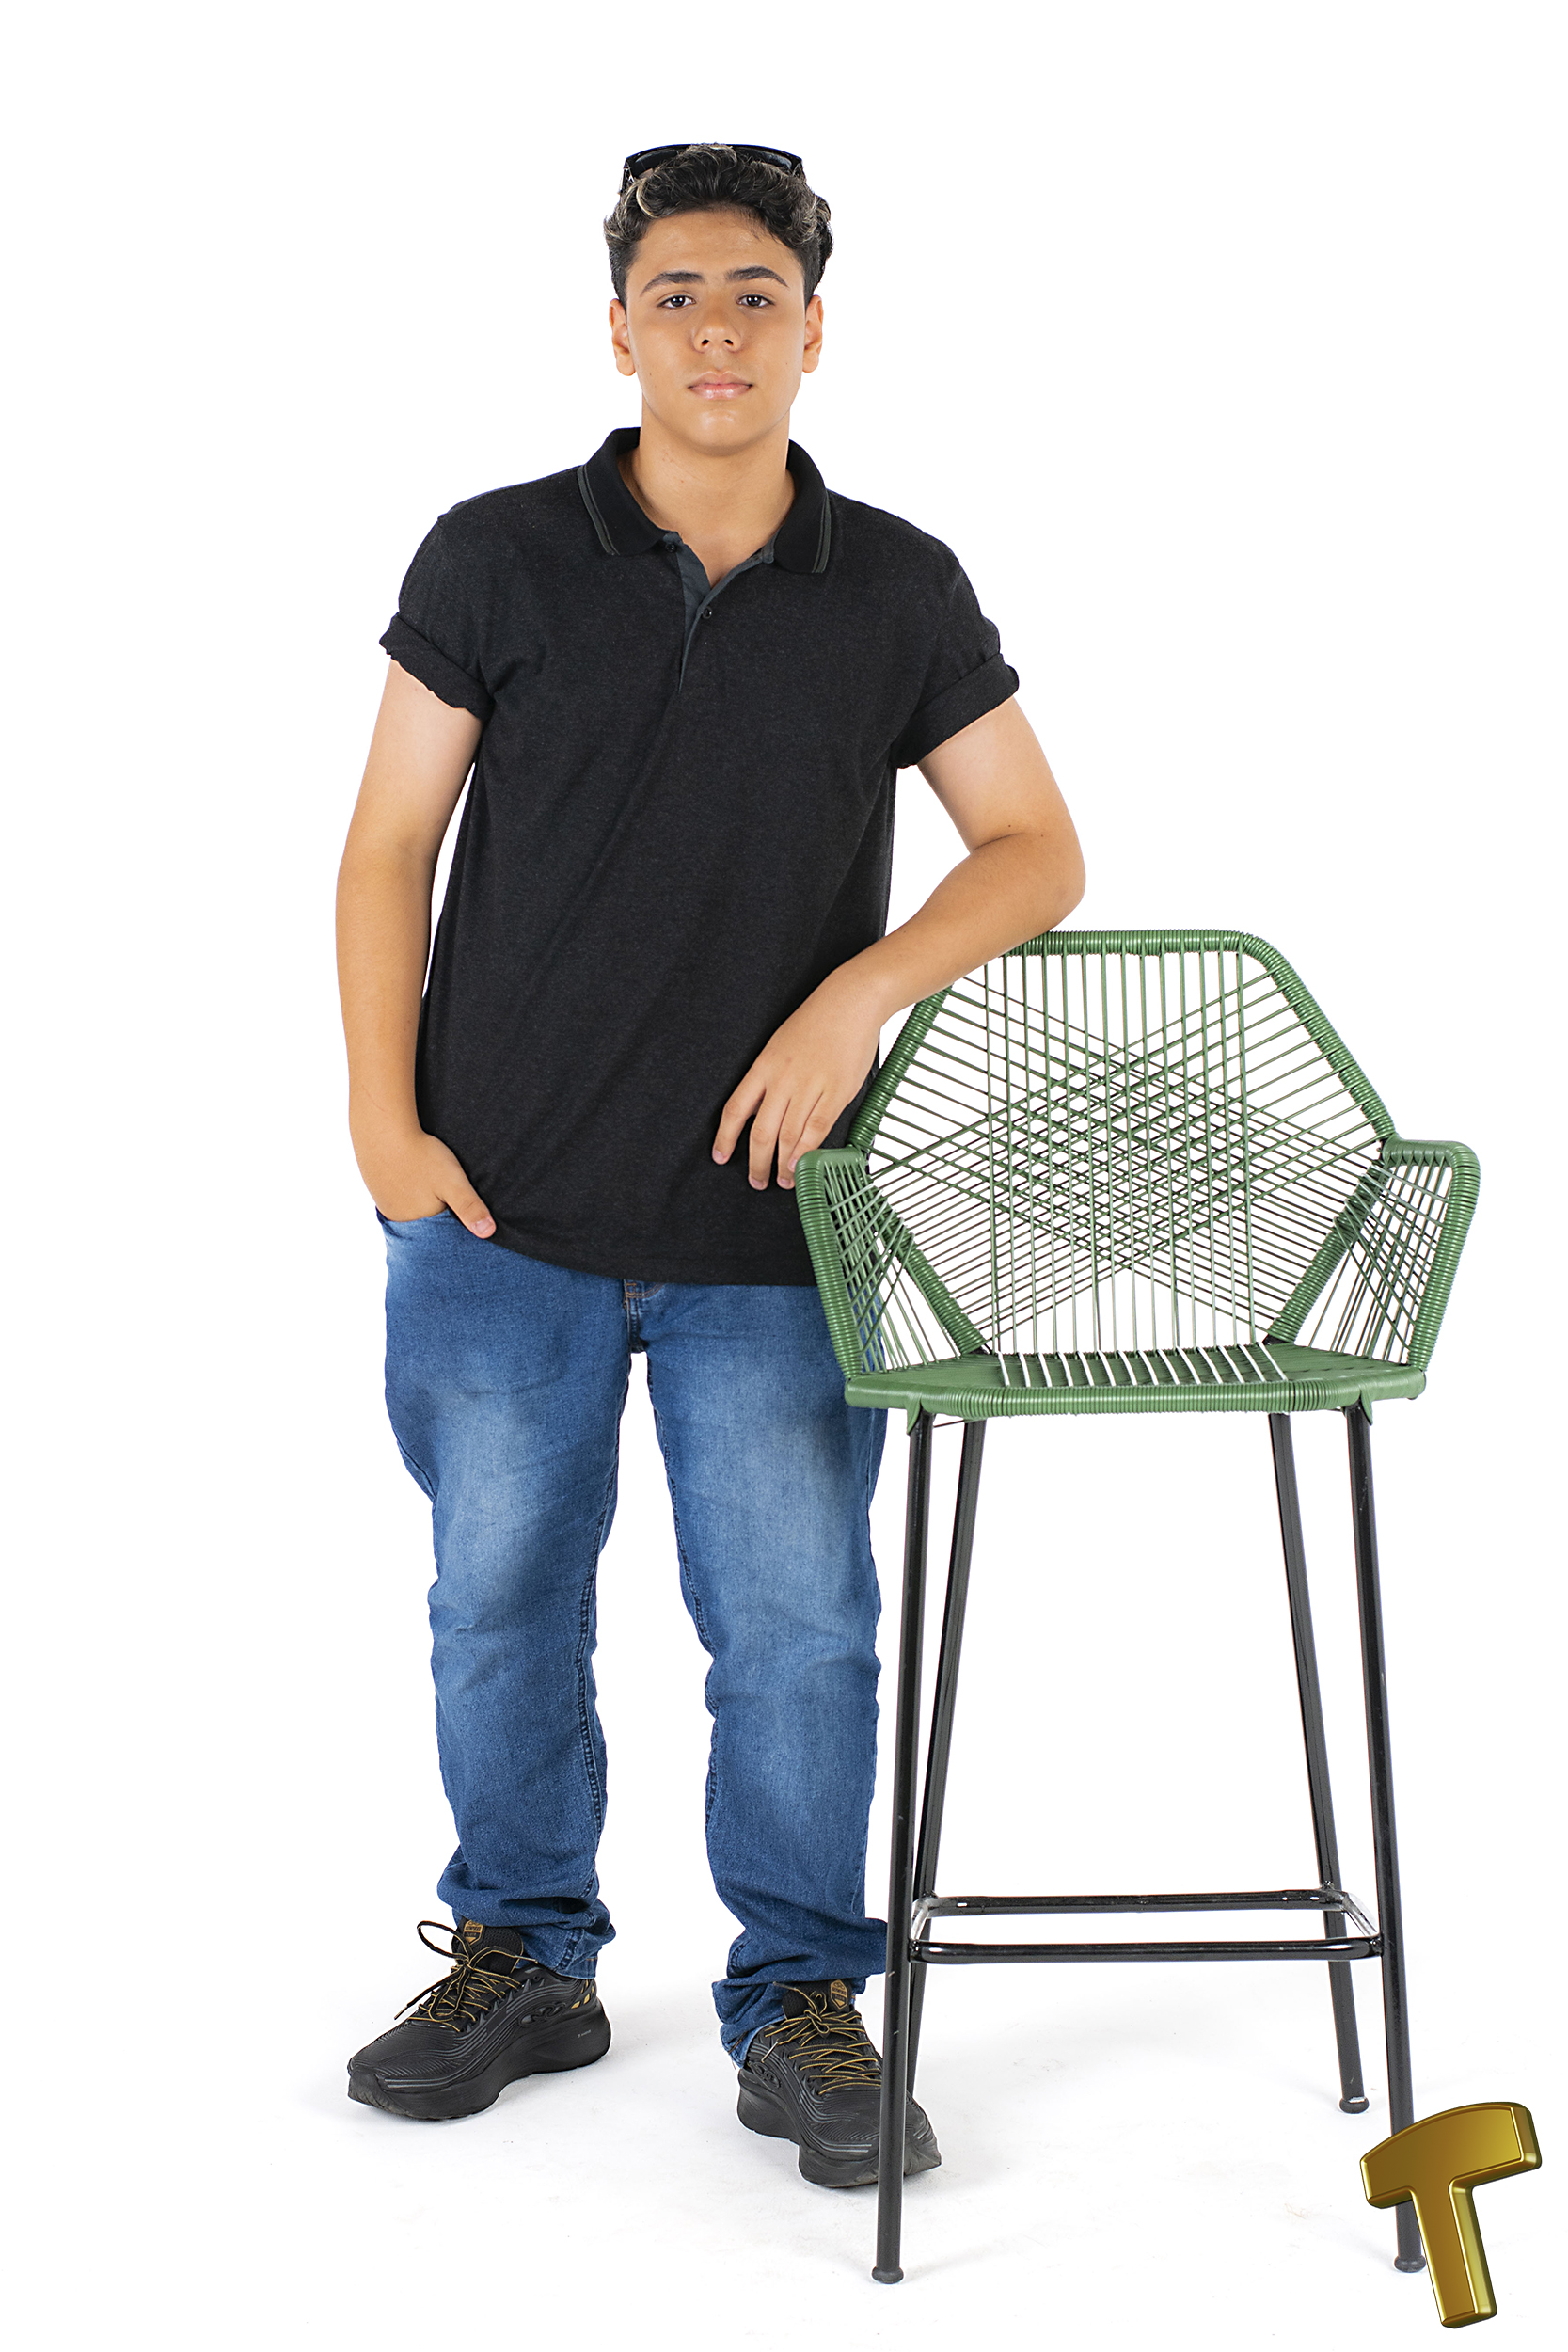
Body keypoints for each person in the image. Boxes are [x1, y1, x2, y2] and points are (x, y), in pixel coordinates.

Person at [335, 141, 1085, 2188]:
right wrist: (383, 1122)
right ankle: (523, 1954)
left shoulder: (895, 587)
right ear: (620, 331)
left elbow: (1036, 845)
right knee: (498, 1601)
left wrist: (862, 993)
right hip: (498, 1203)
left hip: (771, 1228)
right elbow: (389, 844)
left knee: (801, 1628)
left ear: (815, 332)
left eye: (758, 293)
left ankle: (803, 1997)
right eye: (677, 294)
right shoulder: (498, 557)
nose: (718, 329)